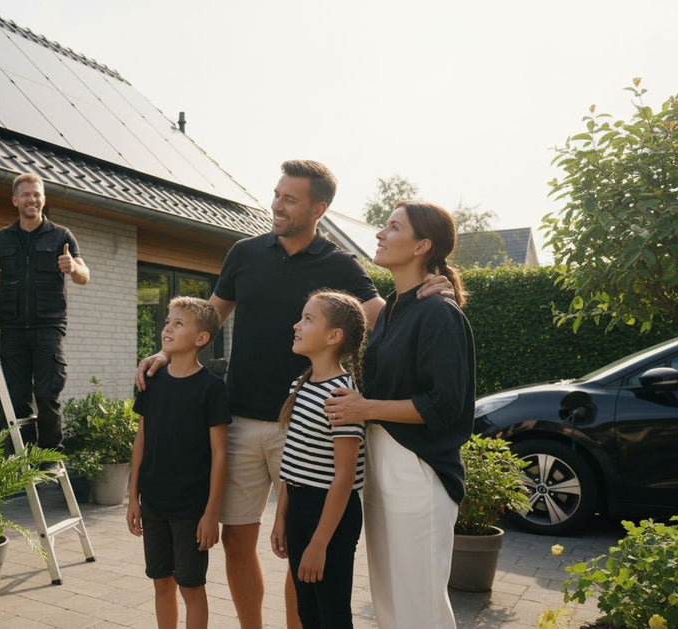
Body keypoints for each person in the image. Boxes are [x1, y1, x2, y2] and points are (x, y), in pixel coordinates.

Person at [137, 160, 451, 629]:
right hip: (239, 418)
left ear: (318, 208)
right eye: (277, 194)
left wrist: (432, 288)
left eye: (290, 199)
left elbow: (384, 319)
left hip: (304, 423)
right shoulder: (244, 252)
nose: (276, 205)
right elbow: (209, 318)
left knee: (299, 547)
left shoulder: (340, 264)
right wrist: (166, 353)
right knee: (239, 541)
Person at [325, 200, 475, 629]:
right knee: (389, 602)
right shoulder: (392, 309)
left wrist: (365, 408)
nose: (380, 234)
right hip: (381, 463)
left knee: (419, 607)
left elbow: (445, 404)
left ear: (421, 245)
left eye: (393, 227)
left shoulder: (438, 312)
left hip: (419, 469)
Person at [0, 173, 90, 451]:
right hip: (13, 329)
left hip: (49, 328)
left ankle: (50, 457)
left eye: (37, 194)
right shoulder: (2, 239)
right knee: (16, 399)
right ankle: (24, 458)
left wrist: (73, 267)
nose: (32, 199)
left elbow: (84, 276)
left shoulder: (61, 236)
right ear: (15, 200)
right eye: (27, 194)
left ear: (43, 199)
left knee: (47, 395)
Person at [127, 297, 230, 629]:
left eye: (179, 323)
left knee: (190, 585)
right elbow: (140, 440)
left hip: (191, 509)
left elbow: (220, 454)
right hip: (153, 503)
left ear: (201, 339)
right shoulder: (151, 381)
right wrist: (133, 498)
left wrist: (211, 513)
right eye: (168, 321)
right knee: (160, 581)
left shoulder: (212, 389)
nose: (168, 327)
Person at [271, 290, 368, 628]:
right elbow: (293, 460)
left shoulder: (342, 396)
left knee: (332, 614)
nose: (296, 325)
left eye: (308, 319)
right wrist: (282, 517)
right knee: (307, 612)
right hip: (299, 507)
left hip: (331, 517)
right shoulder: (301, 384)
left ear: (333, 336)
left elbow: (343, 478)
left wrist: (319, 543)